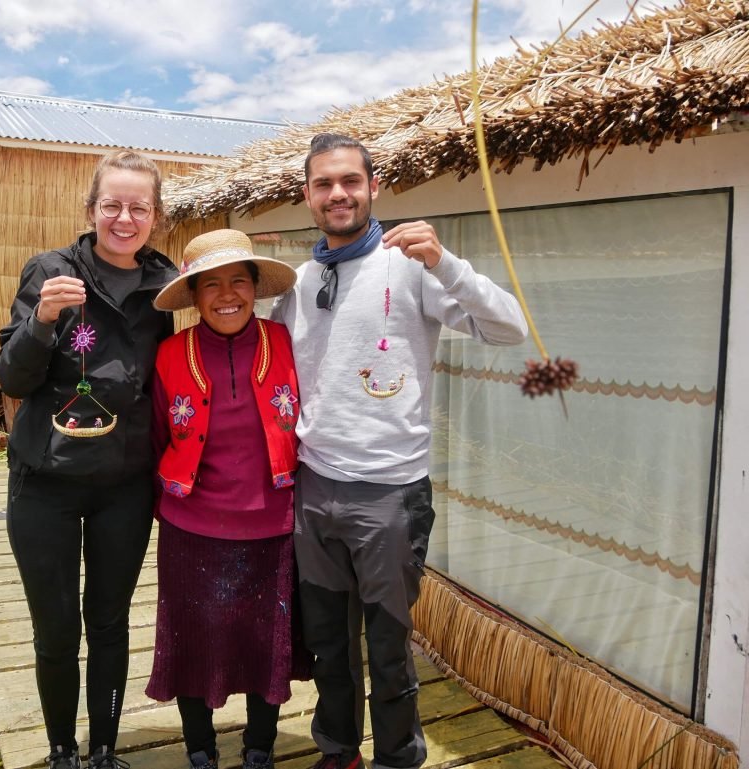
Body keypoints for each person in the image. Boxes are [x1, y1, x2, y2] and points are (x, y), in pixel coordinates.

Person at [271, 134, 528, 769]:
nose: (338, 194)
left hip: (389, 493)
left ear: (373, 187)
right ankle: (338, 751)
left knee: (388, 645)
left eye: (350, 182)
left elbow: (509, 328)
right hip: (314, 489)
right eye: (324, 184)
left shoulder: (411, 265)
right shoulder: (301, 283)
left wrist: (447, 264)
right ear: (307, 195)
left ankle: (397, 758)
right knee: (329, 642)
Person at [0, 150, 179, 769]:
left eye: (139, 207)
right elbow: (12, 380)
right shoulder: (50, 271)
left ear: (155, 215)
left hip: (124, 485)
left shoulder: (164, 284)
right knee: (54, 630)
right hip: (44, 482)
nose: (125, 218)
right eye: (112, 205)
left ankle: (103, 750)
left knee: (108, 622)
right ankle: (60, 753)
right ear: (91, 210)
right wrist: (43, 318)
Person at [145, 229, 310, 769]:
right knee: (194, 643)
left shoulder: (287, 343)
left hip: (273, 527)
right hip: (191, 530)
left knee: (267, 644)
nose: (226, 294)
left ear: (257, 287)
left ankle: (259, 749)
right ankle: (199, 750)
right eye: (210, 284)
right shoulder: (170, 355)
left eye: (239, 280)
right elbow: (154, 440)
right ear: (192, 295)